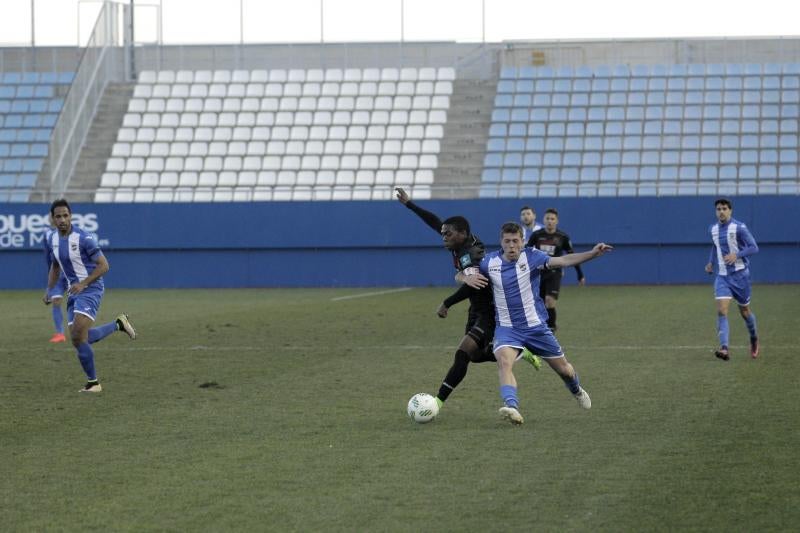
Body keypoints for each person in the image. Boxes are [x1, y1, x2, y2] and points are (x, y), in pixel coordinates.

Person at [395, 187, 541, 410]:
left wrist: (447, 303)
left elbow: (474, 286)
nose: (443, 237)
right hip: (477, 309)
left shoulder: (470, 255)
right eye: (443, 233)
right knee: (474, 356)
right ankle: (520, 352)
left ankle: (436, 402)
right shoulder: (457, 240)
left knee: (462, 353)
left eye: (448, 234)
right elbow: (434, 221)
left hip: (490, 312)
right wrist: (409, 204)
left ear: (462, 234)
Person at [459, 222, 612, 425]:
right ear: (501, 242)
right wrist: (464, 278)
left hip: (536, 328)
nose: (512, 245)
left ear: (522, 241)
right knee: (504, 363)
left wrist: (592, 253)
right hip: (507, 329)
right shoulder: (489, 262)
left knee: (565, 370)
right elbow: (461, 273)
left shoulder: (533, 257)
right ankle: (511, 407)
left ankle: (576, 388)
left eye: (515, 241)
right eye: (507, 241)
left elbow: (565, 260)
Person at [43, 199, 137, 392]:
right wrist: (49, 289)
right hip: (74, 291)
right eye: (58, 216)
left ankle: (93, 384)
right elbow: (54, 266)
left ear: (71, 216)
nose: (62, 219)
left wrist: (84, 283)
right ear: (52, 219)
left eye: (65, 215)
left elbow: (104, 265)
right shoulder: (52, 238)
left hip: (91, 288)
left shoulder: (84, 238)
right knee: (79, 339)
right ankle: (118, 324)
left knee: (78, 334)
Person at [704, 198, 760, 360]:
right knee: (721, 310)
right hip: (722, 277)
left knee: (745, 312)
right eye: (718, 209)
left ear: (730, 211)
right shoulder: (713, 229)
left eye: (724, 209)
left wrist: (737, 255)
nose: (721, 211)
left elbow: (754, 247)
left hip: (740, 276)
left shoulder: (739, 227)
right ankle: (724, 348)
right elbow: (715, 246)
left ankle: (754, 338)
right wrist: (710, 262)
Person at [527, 208, 585, 331]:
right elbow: (526, 253)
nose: (550, 221)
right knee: (540, 303)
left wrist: (580, 274)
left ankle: (552, 327)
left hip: (554, 272)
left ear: (557, 221)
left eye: (552, 219)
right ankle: (542, 327)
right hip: (538, 273)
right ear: (543, 220)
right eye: (547, 218)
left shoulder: (562, 237)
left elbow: (572, 256)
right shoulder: (536, 235)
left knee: (550, 300)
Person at [42, 219, 68, 343]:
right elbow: (48, 257)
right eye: (55, 215)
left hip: (71, 273)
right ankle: (60, 334)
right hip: (56, 272)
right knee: (56, 300)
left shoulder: (73, 232)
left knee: (77, 300)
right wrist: (49, 286)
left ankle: (80, 329)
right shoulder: (47, 234)